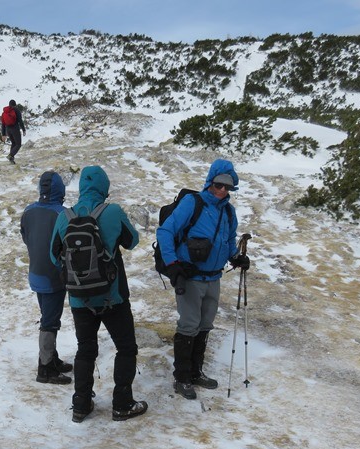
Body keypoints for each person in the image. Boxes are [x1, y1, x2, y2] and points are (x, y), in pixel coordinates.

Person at [50, 165, 148, 423]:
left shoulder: (65, 216)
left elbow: (53, 255)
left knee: (85, 350)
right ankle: (122, 403)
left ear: (81, 187)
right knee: (126, 348)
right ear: (104, 187)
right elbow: (132, 241)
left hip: (79, 298)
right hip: (112, 296)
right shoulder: (112, 211)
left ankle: (81, 404)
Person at [155, 158, 250, 400]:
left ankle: (196, 372)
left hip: (213, 278)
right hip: (190, 277)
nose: (222, 191)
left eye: (227, 187)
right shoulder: (192, 203)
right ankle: (182, 378)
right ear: (210, 182)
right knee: (189, 325)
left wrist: (236, 258)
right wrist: (173, 264)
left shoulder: (228, 211)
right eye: (219, 185)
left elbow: (228, 241)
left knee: (205, 325)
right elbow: (165, 231)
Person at [20, 171, 73, 385]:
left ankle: (52, 357)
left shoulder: (29, 211)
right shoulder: (63, 214)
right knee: (50, 322)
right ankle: (46, 368)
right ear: (61, 190)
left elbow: (25, 236)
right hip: (54, 276)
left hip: (35, 273)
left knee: (47, 316)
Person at [1, 99, 26, 164]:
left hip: (8, 129)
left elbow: (3, 124)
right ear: (15, 105)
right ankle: (11, 156)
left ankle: (11, 159)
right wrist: (23, 129)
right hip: (15, 129)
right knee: (18, 144)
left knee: (14, 143)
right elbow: (20, 121)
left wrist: (3, 134)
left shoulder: (4, 112)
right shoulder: (16, 110)